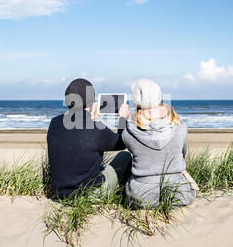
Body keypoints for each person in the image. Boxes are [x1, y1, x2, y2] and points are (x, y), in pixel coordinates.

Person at [47, 78, 132, 199]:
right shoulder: (96, 129)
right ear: (91, 101)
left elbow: (76, 135)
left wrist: (89, 117)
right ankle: (122, 195)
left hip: (60, 193)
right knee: (124, 156)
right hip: (88, 195)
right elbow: (122, 142)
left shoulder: (54, 123)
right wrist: (122, 119)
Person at [122, 79, 196, 208]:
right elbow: (183, 154)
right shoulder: (180, 125)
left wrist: (122, 119)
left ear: (135, 100)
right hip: (179, 193)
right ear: (159, 95)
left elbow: (123, 142)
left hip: (141, 196)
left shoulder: (128, 131)